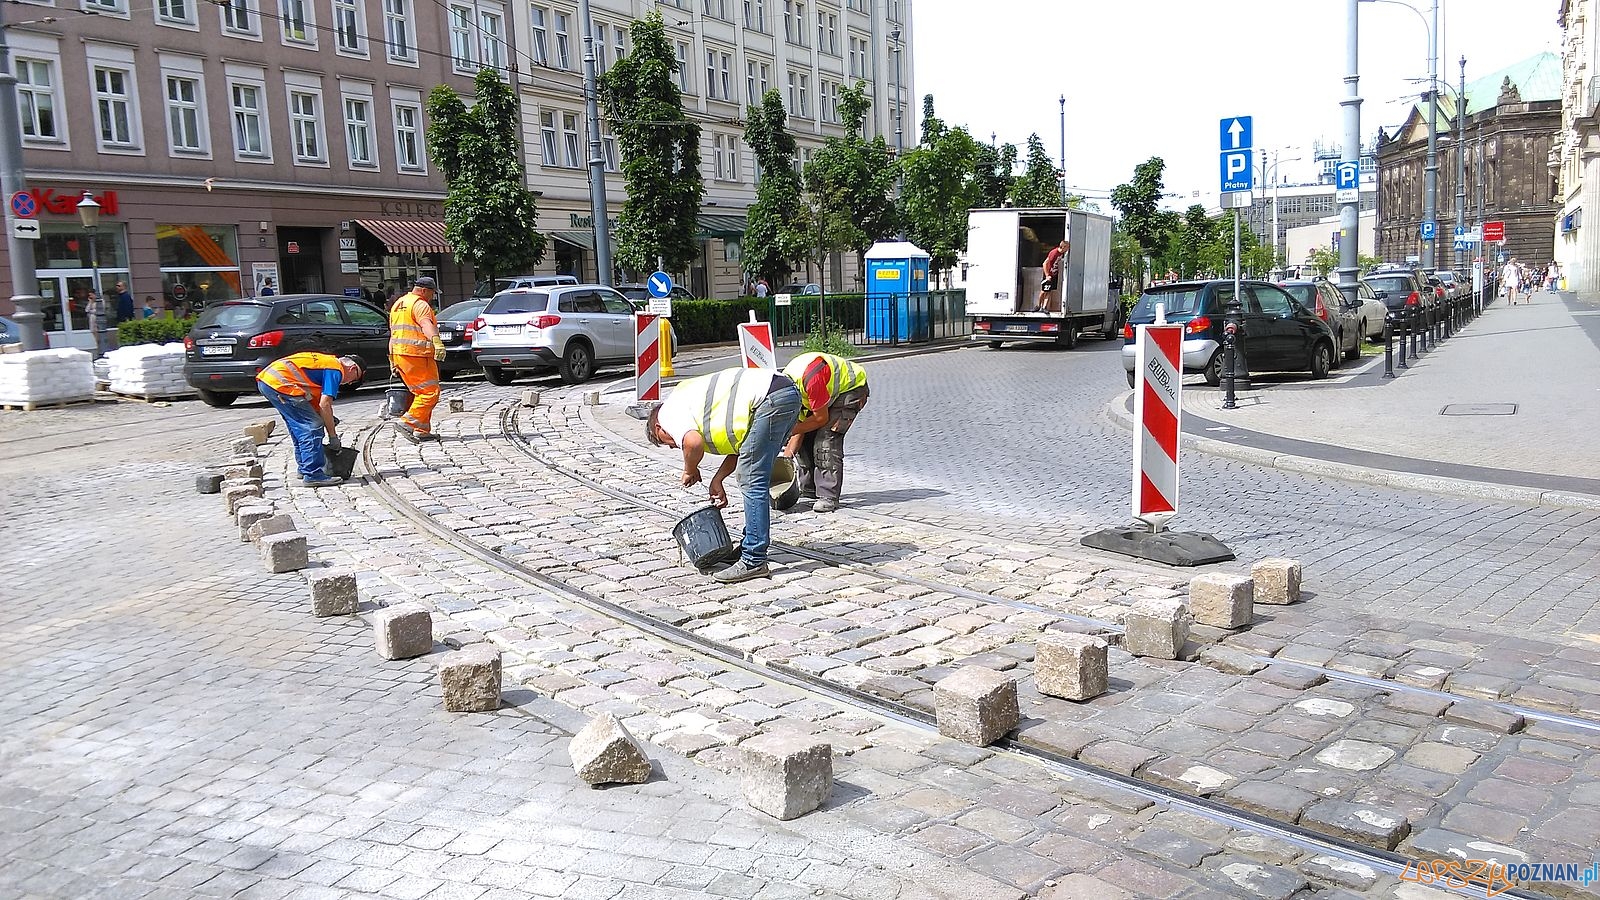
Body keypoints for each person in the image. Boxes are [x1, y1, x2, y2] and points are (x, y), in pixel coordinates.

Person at [645, 367, 802, 583]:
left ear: (658, 428)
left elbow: (693, 443)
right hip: (785, 393)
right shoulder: (692, 405)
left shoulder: (668, 413)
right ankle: (750, 544)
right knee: (754, 474)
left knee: (751, 479)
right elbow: (746, 447)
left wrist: (690, 469)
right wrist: (718, 478)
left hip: (771, 398)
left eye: (666, 442)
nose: (674, 446)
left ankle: (754, 560)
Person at [255, 352, 364, 487]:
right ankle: (313, 474)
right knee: (313, 426)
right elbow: (325, 403)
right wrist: (333, 437)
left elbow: (315, 403)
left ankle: (304, 468)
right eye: (353, 379)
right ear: (352, 369)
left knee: (298, 426)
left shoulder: (326, 363)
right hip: (280, 384)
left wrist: (326, 416)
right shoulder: (336, 369)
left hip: (269, 381)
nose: (349, 383)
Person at [781, 351, 869, 513]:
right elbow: (800, 430)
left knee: (825, 440)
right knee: (806, 437)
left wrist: (791, 430)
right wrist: (785, 461)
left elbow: (821, 419)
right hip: (823, 392)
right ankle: (809, 489)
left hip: (851, 390)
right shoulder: (789, 390)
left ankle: (828, 496)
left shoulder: (811, 382)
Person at [388, 275, 444, 443]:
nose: (433, 297)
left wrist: (391, 358)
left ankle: (422, 429)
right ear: (424, 291)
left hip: (400, 355)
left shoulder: (398, 304)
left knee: (419, 392)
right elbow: (427, 325)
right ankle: (407, 423)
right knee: (430, 393)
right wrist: (437, 342)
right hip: (417, 355)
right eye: (432, 293)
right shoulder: (420, 305)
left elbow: (393, 333)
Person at [1036, 240, 1069, 312]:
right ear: (1063, 247)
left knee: (1049, 291)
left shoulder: (1061, 253)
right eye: (1067, 248)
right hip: (1049, 274)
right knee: (1044, 291)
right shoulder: (1054, 253)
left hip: (1053, 274)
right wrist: (1047, 275)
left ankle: (1044, 307)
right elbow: (1045, 263)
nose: (1068, 250)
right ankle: (1038, 306)